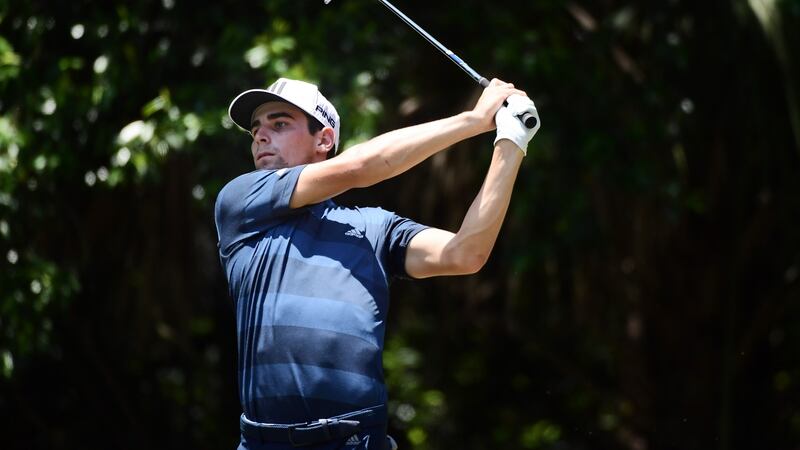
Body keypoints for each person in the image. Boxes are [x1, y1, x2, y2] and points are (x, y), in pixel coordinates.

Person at [215, 77, 540, 450]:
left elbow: (465, 254)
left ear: (323, 140)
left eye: (280, 124)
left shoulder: (375, 227)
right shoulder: (240, 201)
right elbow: (361, 167)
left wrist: (512, 141)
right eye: (256, 129)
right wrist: (472, 120)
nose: (260, 136)